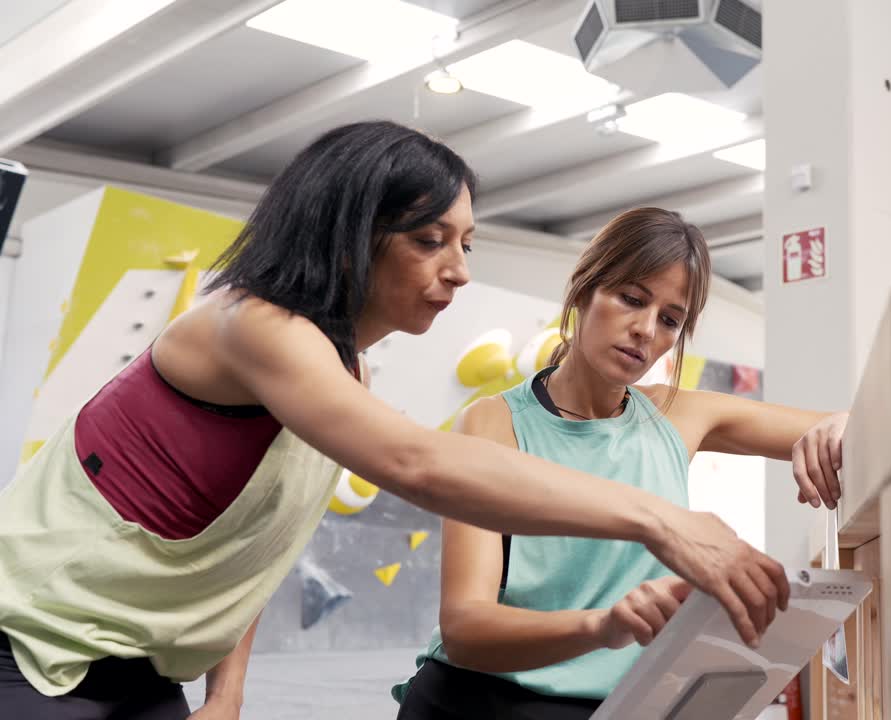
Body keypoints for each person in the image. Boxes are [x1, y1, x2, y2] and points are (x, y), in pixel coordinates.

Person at [0, 122, 788, 719]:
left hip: (140, 666)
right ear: (348, 233)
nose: (460, 269)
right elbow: (419, 466)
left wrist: (227, 693)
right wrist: (661, 523)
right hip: (31, 646)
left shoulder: (344, 372)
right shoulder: (247, 325)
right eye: (428, 240)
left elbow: (254, 541)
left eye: (467, 243)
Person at [392, 207, 847, 719]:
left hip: (625, 707)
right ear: (585, 290)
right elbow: (466, 630)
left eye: (670, 319)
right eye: (631, 299)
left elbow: (854, 426)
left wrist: (842, 423)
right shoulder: (493, 424)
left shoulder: (680, 416)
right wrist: (604, 626)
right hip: (482, 703)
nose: (646, 330)